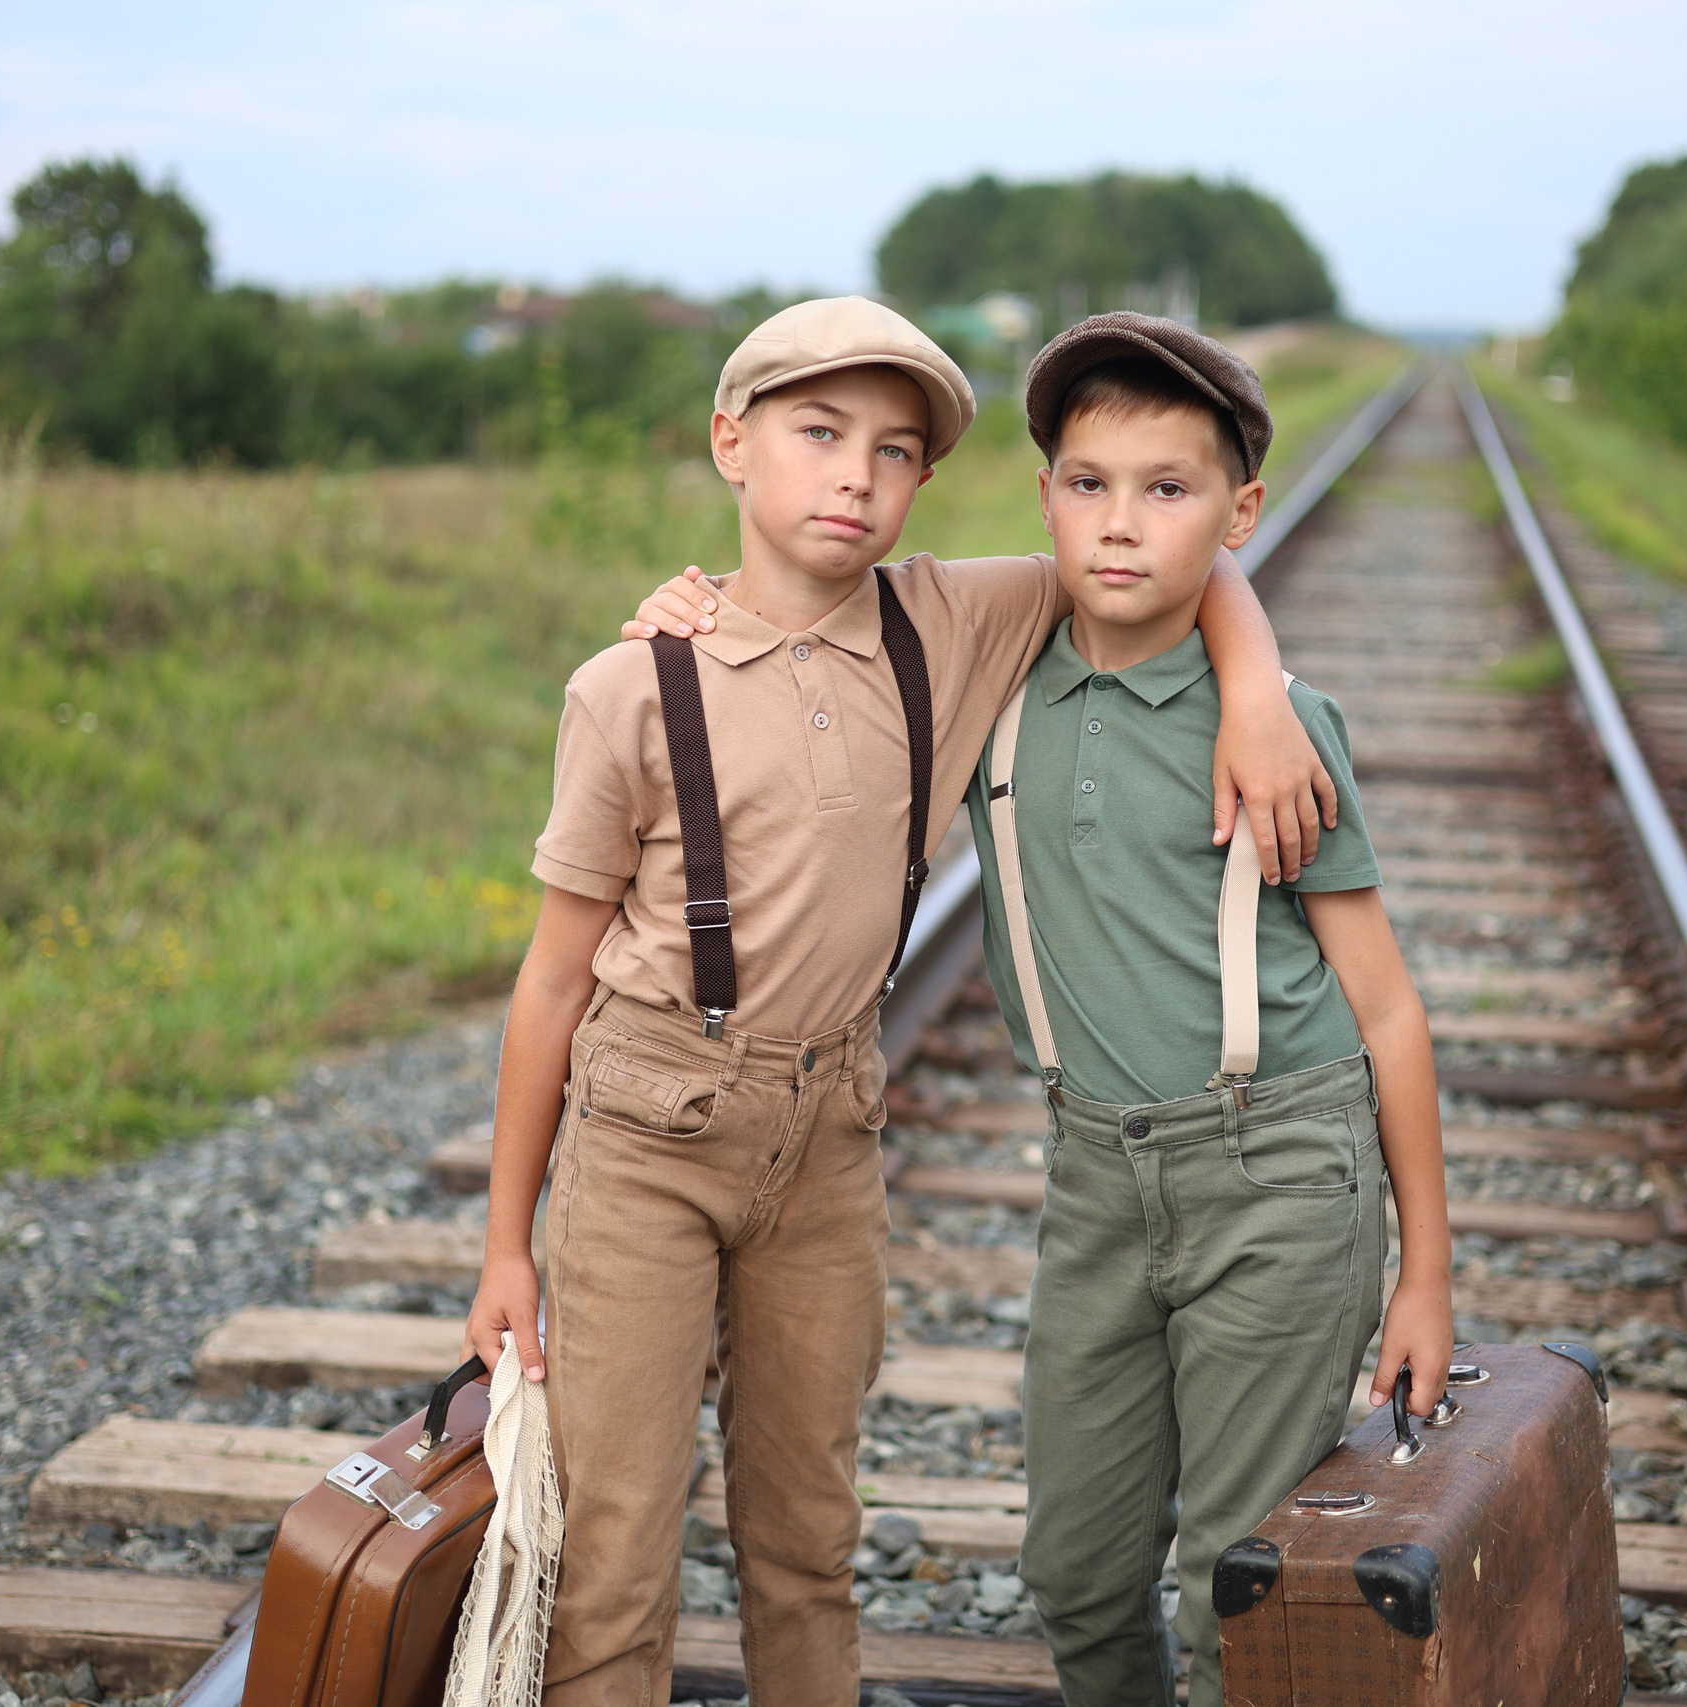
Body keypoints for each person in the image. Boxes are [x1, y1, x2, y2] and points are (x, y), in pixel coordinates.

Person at [464, 295, 1334, 1707]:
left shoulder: (950, 617)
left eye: (892, 450)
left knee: (808, 1536)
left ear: (924, 481)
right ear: (731, 445)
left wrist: (1255, 691)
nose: (854, 477)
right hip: (643, 1136)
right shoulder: (630, 686)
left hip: (828, 1140)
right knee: (617, 1540)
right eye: (819, 436)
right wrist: (507, 1244)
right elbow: (552, 980)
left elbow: (1162, 556)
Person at [969, 314, 1453, 1707]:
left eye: (1167, 491)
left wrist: (1424, 1273)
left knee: (1232, 1576)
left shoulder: (1282, 730)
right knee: (1075, 1568)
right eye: (1086, 482)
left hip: (1277, 1172)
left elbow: (1391, 1013)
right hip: (1097, 1178)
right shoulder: (995, 677)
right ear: (1048, 491)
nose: (1119, 524)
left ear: (1239, 513)